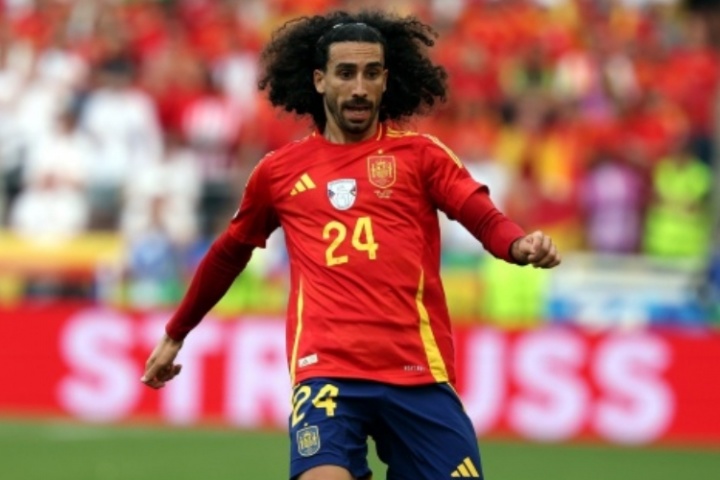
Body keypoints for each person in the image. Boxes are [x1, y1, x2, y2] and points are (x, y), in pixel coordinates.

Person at [141, 10, 561, 480]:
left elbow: (480, 213)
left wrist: (518, 244)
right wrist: (176, 333)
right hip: (327, 374)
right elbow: (228, 254)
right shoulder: (278, 173)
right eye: (345, 73)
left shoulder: (422, 156)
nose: (359, 87)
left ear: (386, 80)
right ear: (319, 80)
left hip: (417, 373)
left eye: (371, 73)